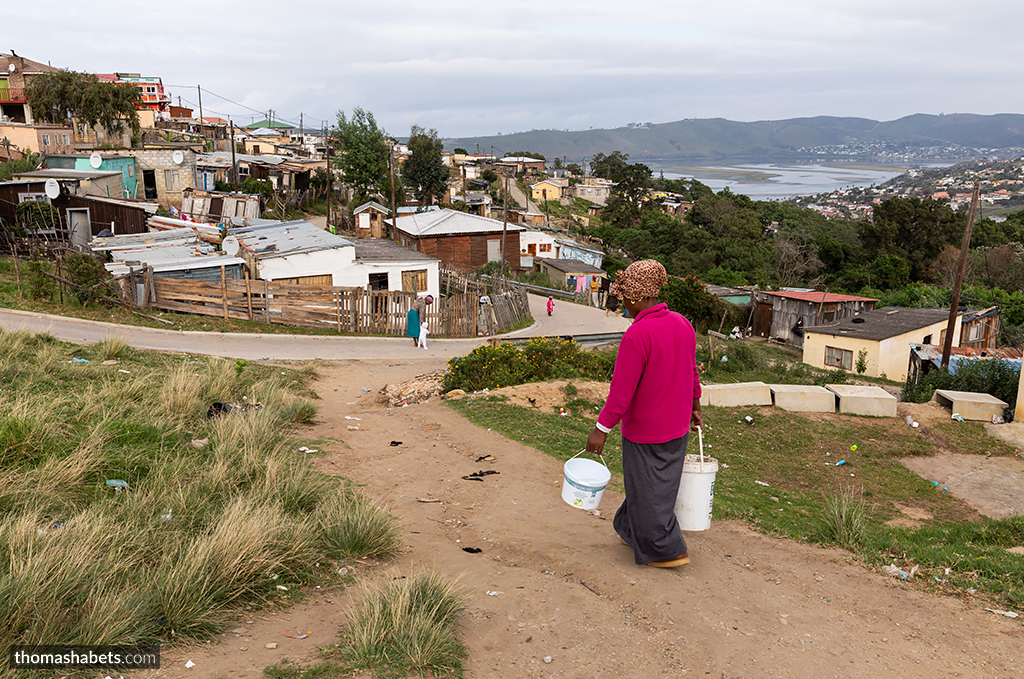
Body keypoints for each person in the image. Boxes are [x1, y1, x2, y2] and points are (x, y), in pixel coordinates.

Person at [585, 260, 702, 568]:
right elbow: (692, 371)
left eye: (624, 295)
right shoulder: (681, 323)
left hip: (646, 430)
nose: (622, 301)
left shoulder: (637, 336)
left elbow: (621, 394)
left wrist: (601, 429)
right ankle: (628, 528)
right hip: (677, 426)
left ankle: (667, 548)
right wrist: (696, 405)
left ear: (636, 297)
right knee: (653, 485)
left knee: (651, 491)